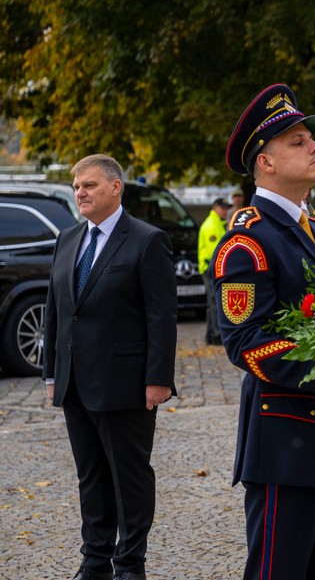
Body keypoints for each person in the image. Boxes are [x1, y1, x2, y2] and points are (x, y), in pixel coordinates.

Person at [214, 83, 315, 580]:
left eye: (310, 138)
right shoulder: (247, 241)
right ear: (266, 162)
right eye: (298, 142)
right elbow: (247, 344)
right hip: (286, 436)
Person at [43, 154, 177, 580]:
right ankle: (95, 561)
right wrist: (52, 373)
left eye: (89, 185)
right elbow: (56, 310)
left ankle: (130, 564)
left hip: (125, 384)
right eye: (77, 186)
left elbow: (161, 316)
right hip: (74, 383)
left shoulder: (147, 240)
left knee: (129, 479)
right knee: (91, 477)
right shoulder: (68, 239)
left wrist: (158, 378)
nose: (80, 193)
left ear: (116, 187)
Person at [199, 197, 231, 346]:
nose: (225, 211)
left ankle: (211, 335)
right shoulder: (211, 225)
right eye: (222, 208)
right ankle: (216, 335)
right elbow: (215, 253)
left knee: (212, 302)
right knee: (215, 303)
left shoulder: (218, 223)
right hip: (211, 269)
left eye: (226, 208)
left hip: (212, 268)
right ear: (214, 208)